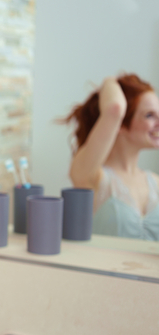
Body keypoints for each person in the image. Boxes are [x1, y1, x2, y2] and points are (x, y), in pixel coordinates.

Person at [65, 74, 159, 240]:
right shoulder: (91, 177)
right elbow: (114, 108)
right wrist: (110, 80)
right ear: (121, 124)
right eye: (149, 115)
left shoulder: (155, 182)